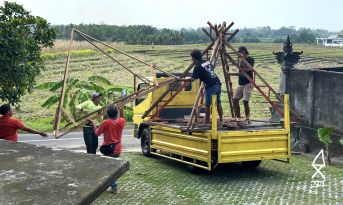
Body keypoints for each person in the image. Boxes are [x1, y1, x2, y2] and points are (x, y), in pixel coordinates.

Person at [90, 105, 125, 193]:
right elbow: (122, 117)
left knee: (109, 169)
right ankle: (113, 185)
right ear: (116, 113)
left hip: (109, 149)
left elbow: (97, 133)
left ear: (107, 114)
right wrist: (121, 110)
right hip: (118, 149)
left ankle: (114, 187)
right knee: (113, 167)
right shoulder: (121, 121)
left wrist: (94, 123)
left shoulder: (105, 122)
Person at [189, 49, 223, 125]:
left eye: (192, 58)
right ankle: (221, 120)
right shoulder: (207, 62)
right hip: (218, 83)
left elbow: (192, 79)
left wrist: (181, 79)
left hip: (211, 86)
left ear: (193, 58)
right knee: (218, 103)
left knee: (208, 105)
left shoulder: (197, 67)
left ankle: (206, 122)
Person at [232, 46, 255, 119]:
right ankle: (238, 117)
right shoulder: (240, 59)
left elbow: (249, 69)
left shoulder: (250, 59)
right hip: (241, 83)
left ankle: (247, 118)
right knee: (235, 100)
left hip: (248, 82)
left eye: (240, 52)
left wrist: (242, 61)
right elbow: (239, 68)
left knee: (245, 101)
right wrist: (240, 61)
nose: (239, 54)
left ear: (244, 51)